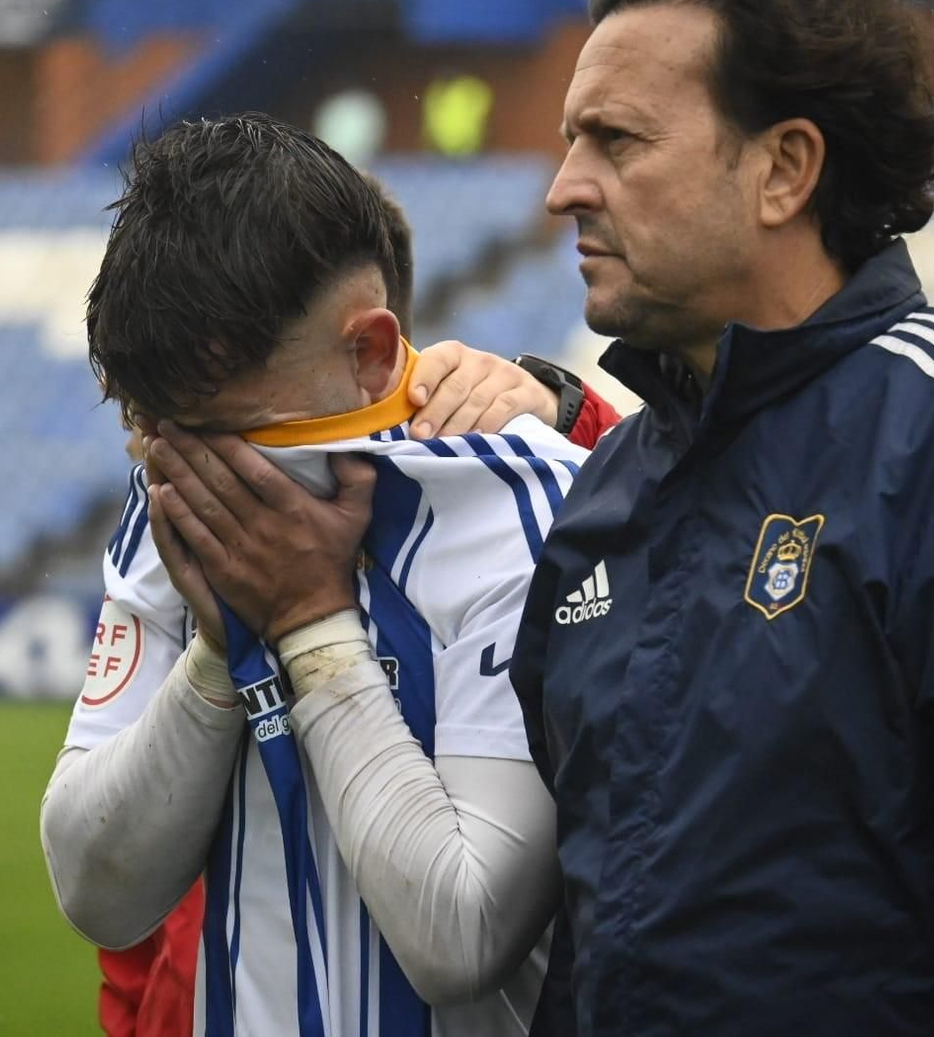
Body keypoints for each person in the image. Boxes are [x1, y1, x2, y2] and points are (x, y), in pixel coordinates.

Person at [148, 0, 934, 1032]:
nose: (563, 187)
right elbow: (598, 936)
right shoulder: (608, 497)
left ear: (783, 169)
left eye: (616, 141)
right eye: (573, 141)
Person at [40, 113, 594, 1036]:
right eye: (166, 434)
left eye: (234, 430)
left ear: (371, 353)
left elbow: (463, 932)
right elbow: (95, 887)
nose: (195, 471)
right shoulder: (180, 485)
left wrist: (305, 620)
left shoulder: (525, 510)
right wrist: (219, 653)